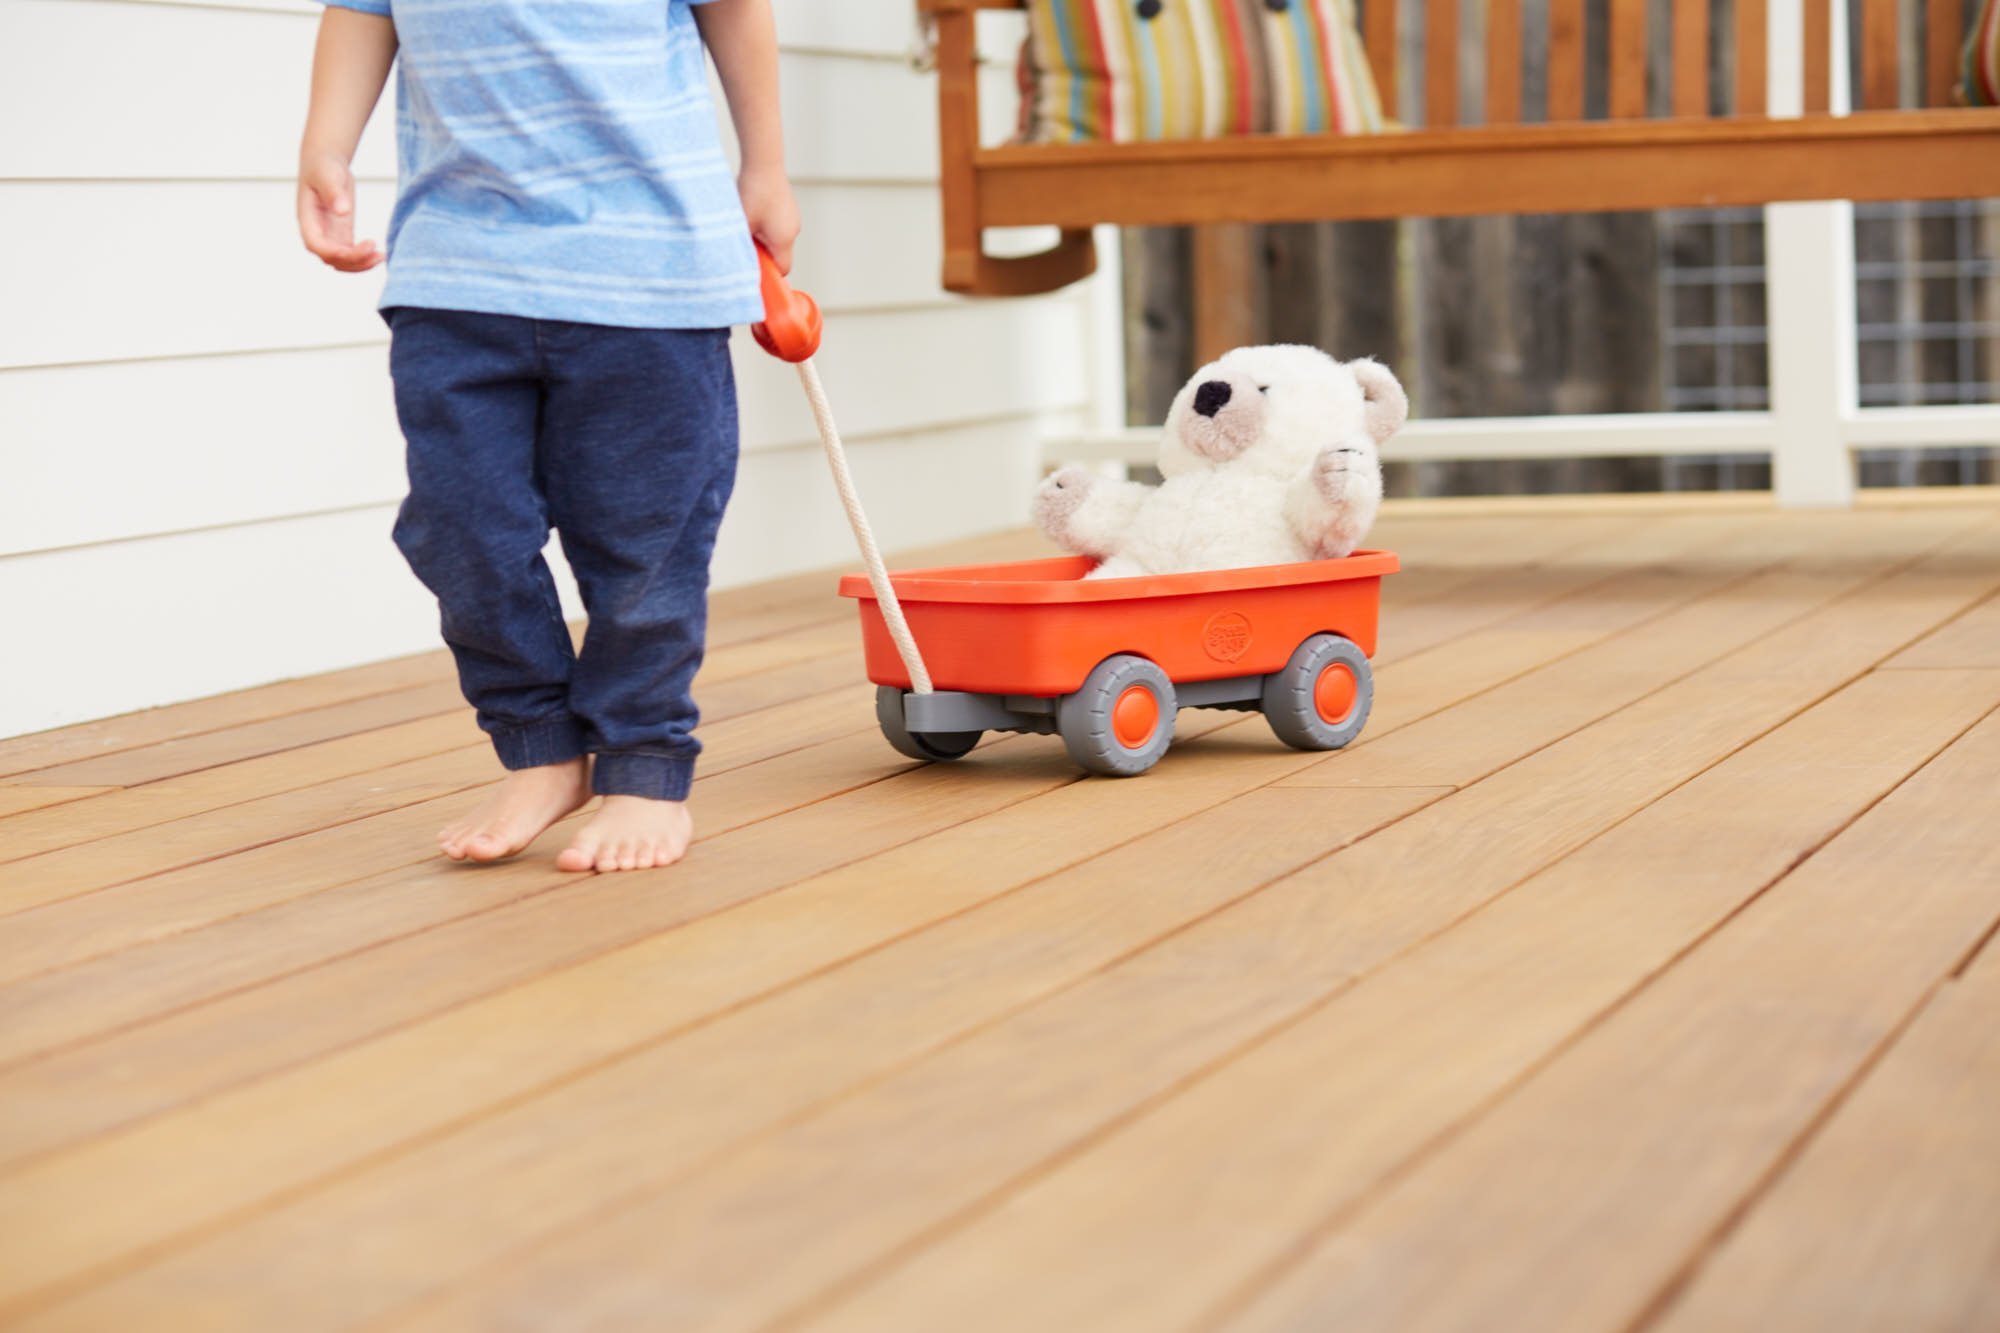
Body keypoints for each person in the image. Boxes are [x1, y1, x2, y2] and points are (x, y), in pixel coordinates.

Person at [297, 0, 797, 872]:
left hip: (649, 273)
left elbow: (735, 11)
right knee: (460, 527)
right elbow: (361, 10)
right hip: (457, 272)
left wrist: (767, 165)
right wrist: (325, 147)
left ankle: (644, 767)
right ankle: (540, 747)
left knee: (646, 548)